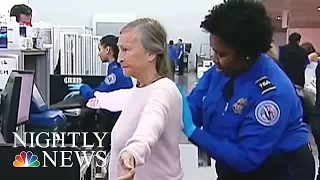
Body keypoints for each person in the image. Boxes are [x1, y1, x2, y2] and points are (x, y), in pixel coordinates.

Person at [178, 0, 315, 179]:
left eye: (222, 54)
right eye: (214, 51)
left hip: (276, 168)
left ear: (247, 53)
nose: (214, 59)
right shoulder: (220, 71)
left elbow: (247, 158)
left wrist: (193, 131)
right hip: (230, 157)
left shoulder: (272, 95)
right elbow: (194, 106)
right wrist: (176, 105)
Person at [109, 18, 183, 180]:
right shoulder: (141, 87)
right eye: (119, 50)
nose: (120, 58)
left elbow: (150, 126)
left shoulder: (162, 91)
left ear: (151, 53)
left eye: (126, 50)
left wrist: (132, 152)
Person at [65, 35, 133, 101]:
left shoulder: (115, 74)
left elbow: (95, 96)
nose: (98, 54)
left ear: (107, 50)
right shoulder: (118, 69)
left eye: (100, 49)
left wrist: (83, 88)